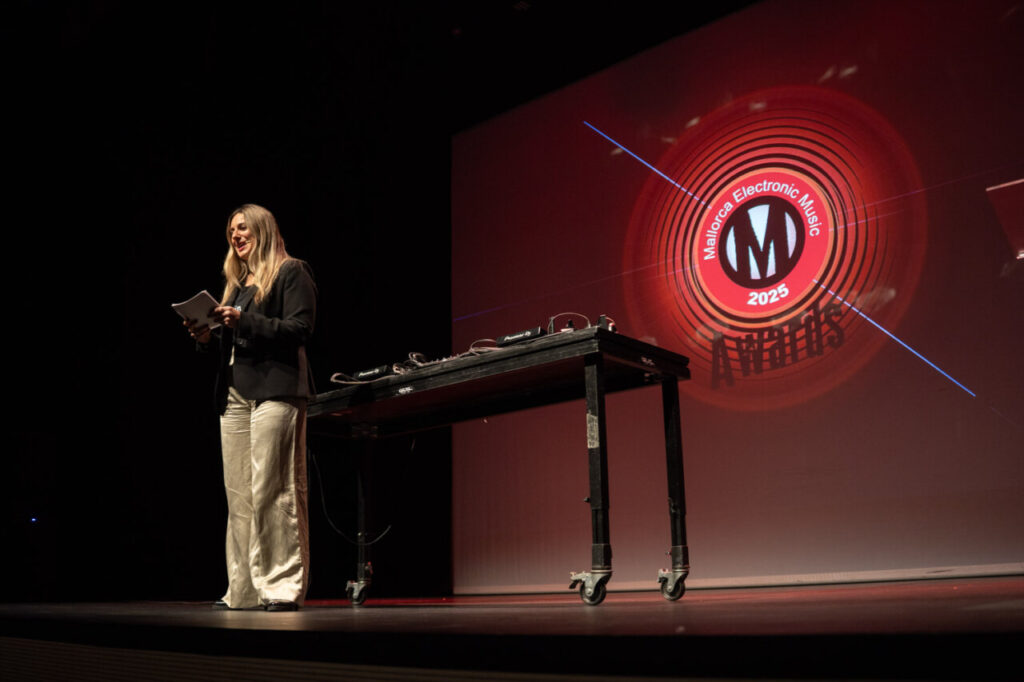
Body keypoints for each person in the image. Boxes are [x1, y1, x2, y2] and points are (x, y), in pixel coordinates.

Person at [184, 203, 316, 612]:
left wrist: (243, 320)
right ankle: (242, 590)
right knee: (239, 494)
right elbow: (235, 339)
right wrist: (206, 336)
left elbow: (300, 328)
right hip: (236, 394)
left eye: (243, 229)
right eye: (231, 232)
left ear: (262, 228)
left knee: (274, 490)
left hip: (276, 389)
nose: (236, 236)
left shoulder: (292, 271)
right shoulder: (238, 285)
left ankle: (279, 587)